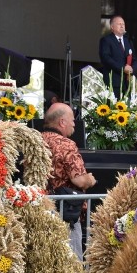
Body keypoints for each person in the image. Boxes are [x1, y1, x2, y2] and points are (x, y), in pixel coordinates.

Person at [40, 102, 97, 259]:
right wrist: (91, 180)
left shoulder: (36, 140)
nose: (74, 123)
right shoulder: (66, 144)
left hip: (39, 211)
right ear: (62, 122)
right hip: (65, 215)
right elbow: (80, 181)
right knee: (72, 266)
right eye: (72, 119)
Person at [99, 15, 134, 100]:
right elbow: (106, 58)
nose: (122, 26)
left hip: (127, 83)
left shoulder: (127, 41)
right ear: (112, 27)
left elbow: (135, 59)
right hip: (113, 82)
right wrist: (122, 68)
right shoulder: (106, 40)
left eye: (123, 24)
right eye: (119, 24)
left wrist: (132, 69)